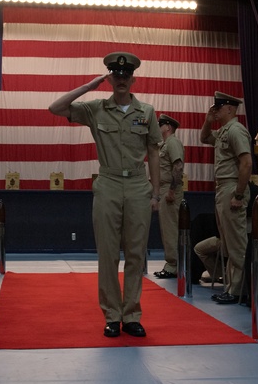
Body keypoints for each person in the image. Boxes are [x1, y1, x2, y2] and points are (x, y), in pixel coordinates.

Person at [49, 52, 162, 337]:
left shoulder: (146, 112)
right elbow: (55, 107)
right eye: (116, 75)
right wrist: (89, 86)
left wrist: (156, 193)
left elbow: (154, 152)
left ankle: (132, 314)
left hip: (138, 185)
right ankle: (112, 315)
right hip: (108, 183)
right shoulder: (96, 108)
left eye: (126, 76)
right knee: (108, 254)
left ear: (133, 79)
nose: (122, 79)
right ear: (110, 78)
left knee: (136, 253)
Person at [200, 91, 252, 305]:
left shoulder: (236, 131)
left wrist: (238, 194)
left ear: (230, 108)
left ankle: (239, 290)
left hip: (232, 187)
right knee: (229, 243)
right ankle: (232, 286)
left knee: (236, 243)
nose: (216, 110)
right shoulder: (224, 131)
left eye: (219, 107)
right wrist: (207, 121)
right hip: (223, 188)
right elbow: (204, 138)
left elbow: (246, 163)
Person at [153, 113, 185, 280]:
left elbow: (178, 166)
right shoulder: (165, 144)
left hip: (170, 190)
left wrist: (172, 189)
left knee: (171, 228)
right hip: (165, 189)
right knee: (167, 228)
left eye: (160, 125)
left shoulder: (172, 142)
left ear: (167, 127)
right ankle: (173, 263)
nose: (158, 128)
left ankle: (173, 265)